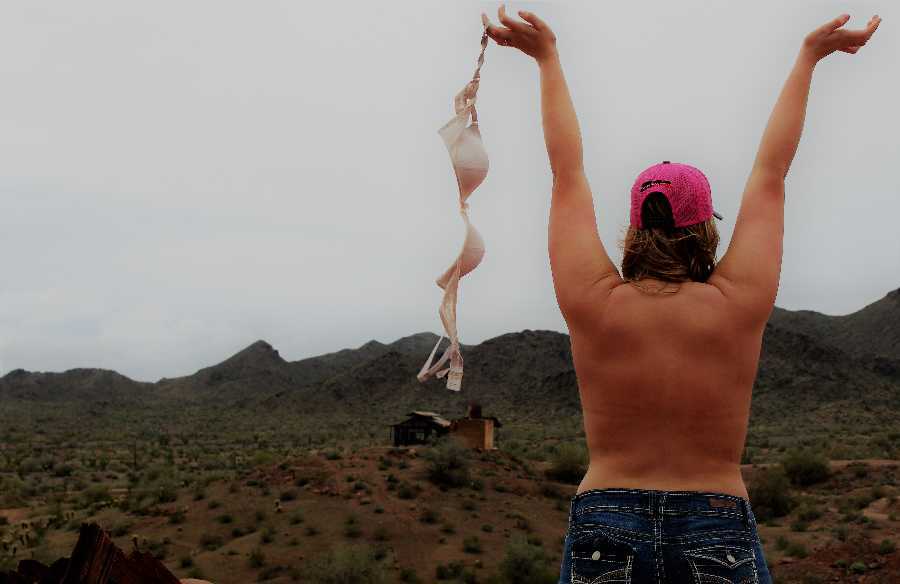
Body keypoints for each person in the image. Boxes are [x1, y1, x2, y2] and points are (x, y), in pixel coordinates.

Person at [482, 5, 881, 583]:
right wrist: (808, 58)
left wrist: (547, 59)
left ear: (636, 228)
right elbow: (772, 172)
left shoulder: (594, 302)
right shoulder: (736, 302)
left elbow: (565, 171)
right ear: (705, 228)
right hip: (714, 519)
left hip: (605, 520)